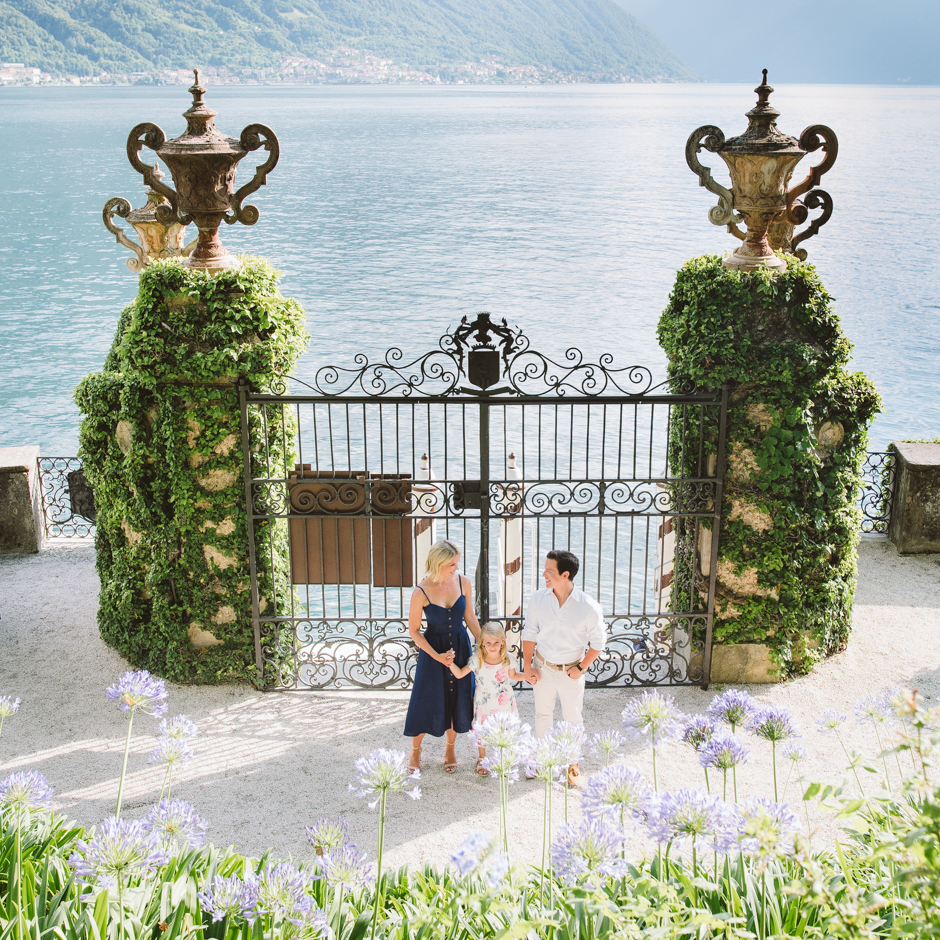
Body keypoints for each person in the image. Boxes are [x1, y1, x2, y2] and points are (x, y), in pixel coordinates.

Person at [521, 549, 606, 787]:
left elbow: (599, 642)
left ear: (565, 574)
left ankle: (572, 763)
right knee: (542, 715)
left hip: (572, 672)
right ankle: (541, 759)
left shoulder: (588, 606)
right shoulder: (538, 599)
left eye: (549, 571)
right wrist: (527, 667)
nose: (544, 575)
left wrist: (582, 667)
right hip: (543, 667)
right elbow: (529, 634)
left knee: (572, 718)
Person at [404, 539, 481, 775]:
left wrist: (484, 644)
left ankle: (450, 749)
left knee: (457, 698)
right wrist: (437, 656)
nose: (456, 568)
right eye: (452, 564)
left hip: (460, 647)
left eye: (456, 563)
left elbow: (469, 616)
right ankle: (416, 751)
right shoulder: (421, 591)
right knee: (425, 700)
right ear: (438, 564)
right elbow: (414, 630)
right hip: (432, 651)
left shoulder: (463, 582)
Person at [448, 621, 523, 776]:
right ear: (482, 642)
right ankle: (482, 758)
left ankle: (504, 758)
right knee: (482, 730)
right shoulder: (477, 659)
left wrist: (529, 676)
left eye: (496, 642)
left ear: (503, 641)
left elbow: (514, 676)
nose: (493, 646)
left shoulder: (508, 659)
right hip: (483, 701)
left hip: (503, 700)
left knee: (505, 729)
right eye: (488, 643)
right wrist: (449, 664)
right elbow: (460, 673)